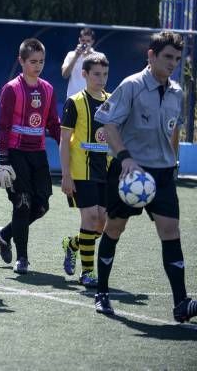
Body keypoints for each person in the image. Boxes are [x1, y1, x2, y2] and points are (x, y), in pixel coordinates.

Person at [92, 31, 197, 322]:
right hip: (130, 172)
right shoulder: (132, 86)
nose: (172, 63)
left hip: (162, 174)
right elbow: (110, 125)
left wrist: (172, 163)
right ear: (151, 56)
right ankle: (102, 292)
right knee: (114, 229)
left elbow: (174, 130)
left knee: (171, 231)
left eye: (176, 58)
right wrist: (125, 159)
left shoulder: (177, 92)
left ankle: (180, 303)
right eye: (167, 57)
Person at [0, 38, 61, 274]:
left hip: (38, 154)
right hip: (16, 153)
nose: (38, 65)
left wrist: (66, 144)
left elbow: (52, 122)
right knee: (22, 204)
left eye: (41, 61)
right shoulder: (11, 89)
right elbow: (3, 125)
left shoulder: (48, 89)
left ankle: (5, 233)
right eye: (32, 61)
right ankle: (22, 258)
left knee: (41, 207)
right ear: (21, 61)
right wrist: (2, 158)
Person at [59, 52, 110, 288]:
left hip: (106, 171)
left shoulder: (112, 101)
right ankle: (87, 272)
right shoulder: (75, 102)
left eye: (105, 74)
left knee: (103, 221)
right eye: (96, 74)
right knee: (90, 217)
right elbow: (64, 140)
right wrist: (66, 175)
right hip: (82, 170)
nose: (101, 79)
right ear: (85, 74)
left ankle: (73, 244)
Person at [61, 28, 96, 99]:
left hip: (90, 98)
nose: (85, 44)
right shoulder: (71, 55)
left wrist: (90, 56)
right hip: (73, 98)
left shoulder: (98, 56)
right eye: (83, 41)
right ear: (79, 40)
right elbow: (65, 75)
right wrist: (76, 56)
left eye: (88, 41)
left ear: (92, 42)